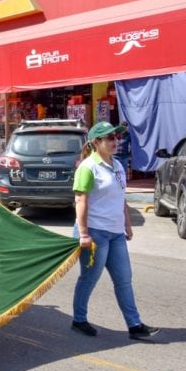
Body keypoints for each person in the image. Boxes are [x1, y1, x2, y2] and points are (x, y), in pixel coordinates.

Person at [71, 121, 159, 340]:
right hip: (95, 232)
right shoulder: (87, 167)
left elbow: (121, 198)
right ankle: (79, 320)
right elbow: (80, 201)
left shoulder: (118, 165)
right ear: (96, 142)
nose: (115, 141)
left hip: (115, 233)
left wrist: (126, 224)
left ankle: (135, 325)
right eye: (109, 138)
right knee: (89, 278)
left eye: (116, 137)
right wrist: (83, 234)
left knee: (124, 279)